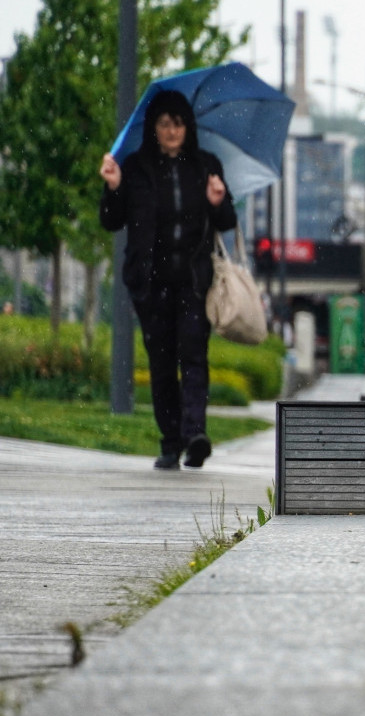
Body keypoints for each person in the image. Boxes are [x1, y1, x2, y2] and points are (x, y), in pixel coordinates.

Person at [99, 90, 237, 470]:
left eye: (178, 123)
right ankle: (169, 441)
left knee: (194, 357)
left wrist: (218, 199)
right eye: (164, 123)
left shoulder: (206, 166)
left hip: (194, 282)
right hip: (150, 282)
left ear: (187, 127)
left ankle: (195, 434)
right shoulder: (135, 167)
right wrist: (112, 186)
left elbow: (227, 222)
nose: (172, 130)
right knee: (162, 363)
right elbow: (112, 220)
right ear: (154, 128)